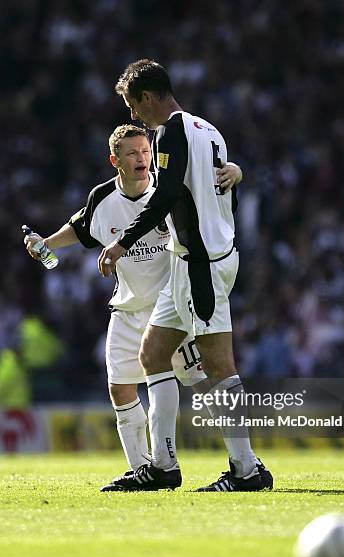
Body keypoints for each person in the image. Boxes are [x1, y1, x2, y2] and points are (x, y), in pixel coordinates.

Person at [24, 123, 243, 491]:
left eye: (145, 151)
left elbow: (213, 183)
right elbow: (79, 229)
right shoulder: (103, 199)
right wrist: (44, 242)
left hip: (169, 307)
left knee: (204, 384)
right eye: (132, 153)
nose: (143, 159)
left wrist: (238, 171)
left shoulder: (167, 189)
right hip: (127, 310)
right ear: (115, 160)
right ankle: (144, 468)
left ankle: (242, 457)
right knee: (120, 389)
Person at [98, 59, 273, 492]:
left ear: (147, 97)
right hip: (188, 260)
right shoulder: (207, 129)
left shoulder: (170, 132)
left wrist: (124, 240)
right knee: (154, 354)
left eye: (133, 105)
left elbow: (169, 194)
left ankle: (246, 470)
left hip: (202, 265)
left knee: (218, 364)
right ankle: (164, 466)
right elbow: (219, 182)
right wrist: (240, 172)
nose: (134, 116)